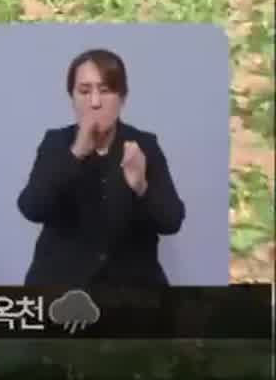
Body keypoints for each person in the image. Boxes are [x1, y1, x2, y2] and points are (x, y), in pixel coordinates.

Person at [15, 47, 185, 288]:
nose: (95, 102)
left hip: (132, 291)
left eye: (105, 91)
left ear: (122, 98)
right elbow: (31, 208)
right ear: (72, 97)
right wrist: (75, 154)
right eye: (84, 91)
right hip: (61, 288)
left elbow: (172, 221)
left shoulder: (144, 144)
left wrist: (141, 186)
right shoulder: (55, 143)